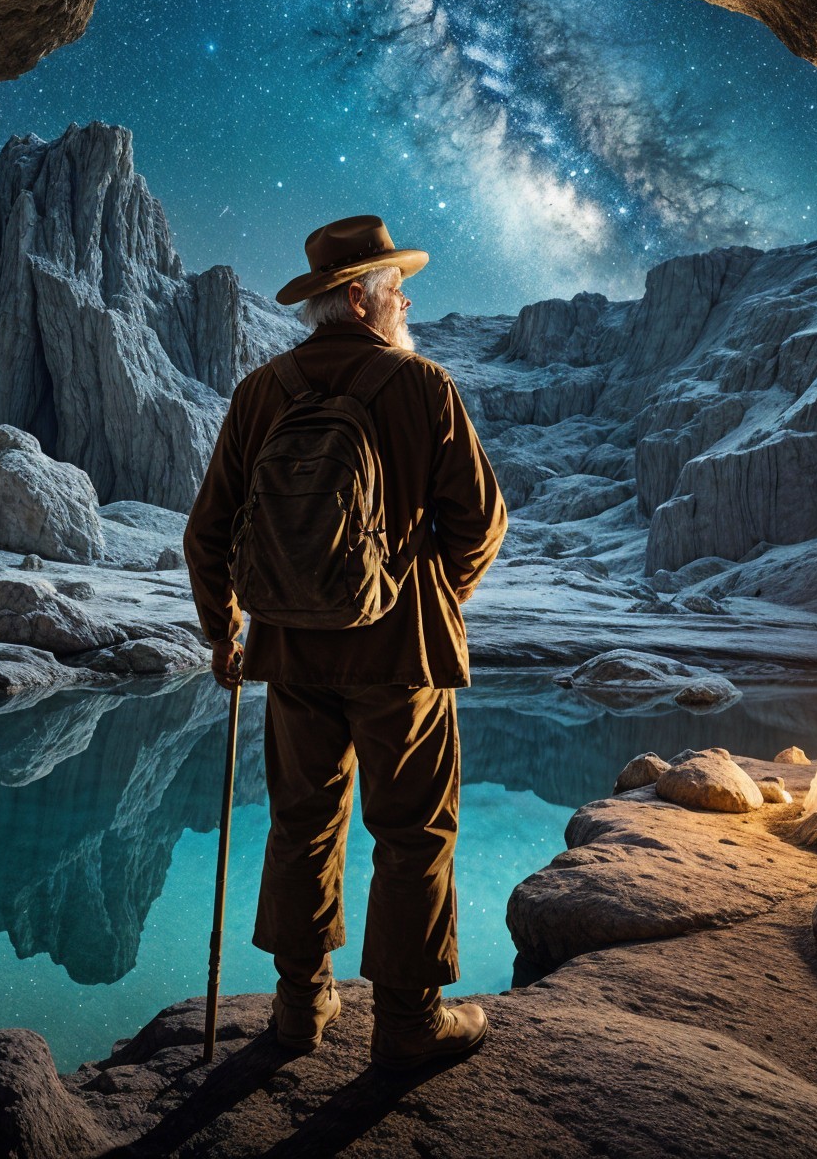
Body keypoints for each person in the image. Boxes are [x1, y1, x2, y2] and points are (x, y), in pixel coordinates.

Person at [184, 214, 507, 1071]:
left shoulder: (261, 392)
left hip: (289, 654)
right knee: (412, 833)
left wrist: (225, 636)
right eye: (396, 285)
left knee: (302, 822)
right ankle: (408, 1021)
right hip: (401, 658)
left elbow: (207, 532)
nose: (406, 297)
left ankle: (300, 1006)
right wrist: (431, 594)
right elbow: (481, 521)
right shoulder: (423, 386)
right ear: (363, 300)